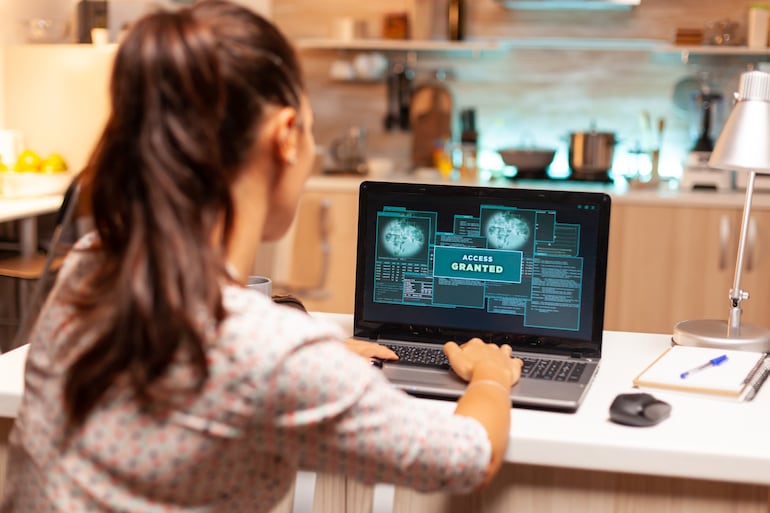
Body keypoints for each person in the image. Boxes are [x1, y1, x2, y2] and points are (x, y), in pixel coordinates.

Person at [0, 1, 523, 511]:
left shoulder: (90, 264)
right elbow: (466, 458)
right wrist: (491, 377)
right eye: (313, 132)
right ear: (286, 137)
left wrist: (313, 357)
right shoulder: (272, 355)